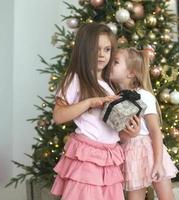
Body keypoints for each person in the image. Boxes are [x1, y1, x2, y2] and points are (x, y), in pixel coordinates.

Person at [50, 23, 140, 200]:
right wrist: (89, 102)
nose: (102, 55)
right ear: (84, 49)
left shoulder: (109, 85)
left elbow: (110, 129)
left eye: (107, 49)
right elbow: (58, 116)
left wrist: (130, 133)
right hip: (87, 155)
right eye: (96, 49)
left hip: (110, 156)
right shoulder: (76, 78)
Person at [110, 48, 178, 200]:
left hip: (150, 151)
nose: (109, 64)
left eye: (115, 62)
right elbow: (117, 133)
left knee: (166, 197)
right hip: (129, 152)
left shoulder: (144, 96)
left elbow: (155, 131)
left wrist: (158, 163)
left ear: (131, 73)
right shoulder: (113, 99)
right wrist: (127, 134)